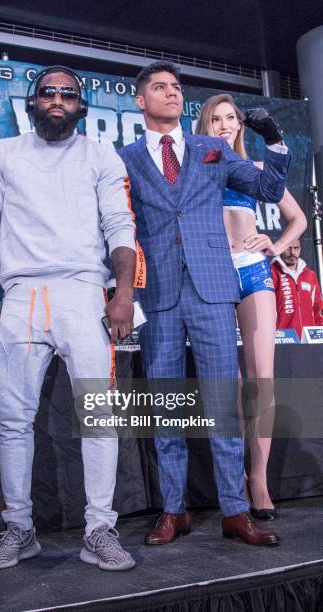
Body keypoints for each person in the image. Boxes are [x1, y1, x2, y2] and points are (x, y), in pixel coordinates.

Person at [0, 65, 137, 571]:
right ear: (32, 101)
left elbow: (119, 223)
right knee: (14, 421)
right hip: (19, 296)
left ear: (81, 106)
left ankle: (99, 529)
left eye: (68, 93)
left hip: (84, 291)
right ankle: (19, 528)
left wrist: (122, 292)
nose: (58, 99)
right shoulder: (3, 153)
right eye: (48, 92)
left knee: (98, 415)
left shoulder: (99, 155)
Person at [119, 61, 290, 546]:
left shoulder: (212, 149)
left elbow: (269, 190)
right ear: (140, 99)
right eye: (160, 87)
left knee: (221, 403)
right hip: (161, 292)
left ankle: (236, 512)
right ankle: (175, 510)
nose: (172, 94)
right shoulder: (124, 157)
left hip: (215, 286)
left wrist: (274, 142)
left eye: (176, 88)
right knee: (170, 404)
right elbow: (115, 224)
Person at [195, 94, 306, 520]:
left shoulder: (256, 170)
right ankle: (234, 477)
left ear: (240, 126)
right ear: (204, 126)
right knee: (232, 382)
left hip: (253, 270)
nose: (224, 125)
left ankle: (258, 480)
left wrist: (273, 245)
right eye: (215, 119)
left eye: (230, 119)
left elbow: (297, 218)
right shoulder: (198, 174)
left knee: (263, 378)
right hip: (212, 276)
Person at [271, 239, 323, 339]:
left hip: (309, 339)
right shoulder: (271, 273)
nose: (292, 253)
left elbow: (318, 309)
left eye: (296, 248)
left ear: (300, 249)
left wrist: (320, 332)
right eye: (288, 248)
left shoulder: (309, 275)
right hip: (282, 338)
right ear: (281, 248)